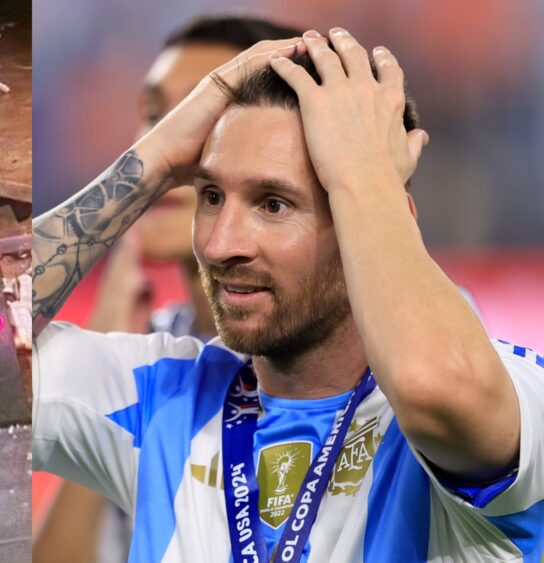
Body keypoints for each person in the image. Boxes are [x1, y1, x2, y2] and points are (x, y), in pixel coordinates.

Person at [32, 28, 544, 562]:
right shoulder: (161, 395)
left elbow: (429, 385)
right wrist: (155, 161)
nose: (219, 242)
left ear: (373, 222)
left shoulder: (513, 399)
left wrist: (366, 179)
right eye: (210, 195)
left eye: (273, 204)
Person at [35, 17, 302, 563]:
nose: (175, 151)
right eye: (158, 120)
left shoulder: (393, 349)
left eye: (206, 117)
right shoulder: (145, 359)